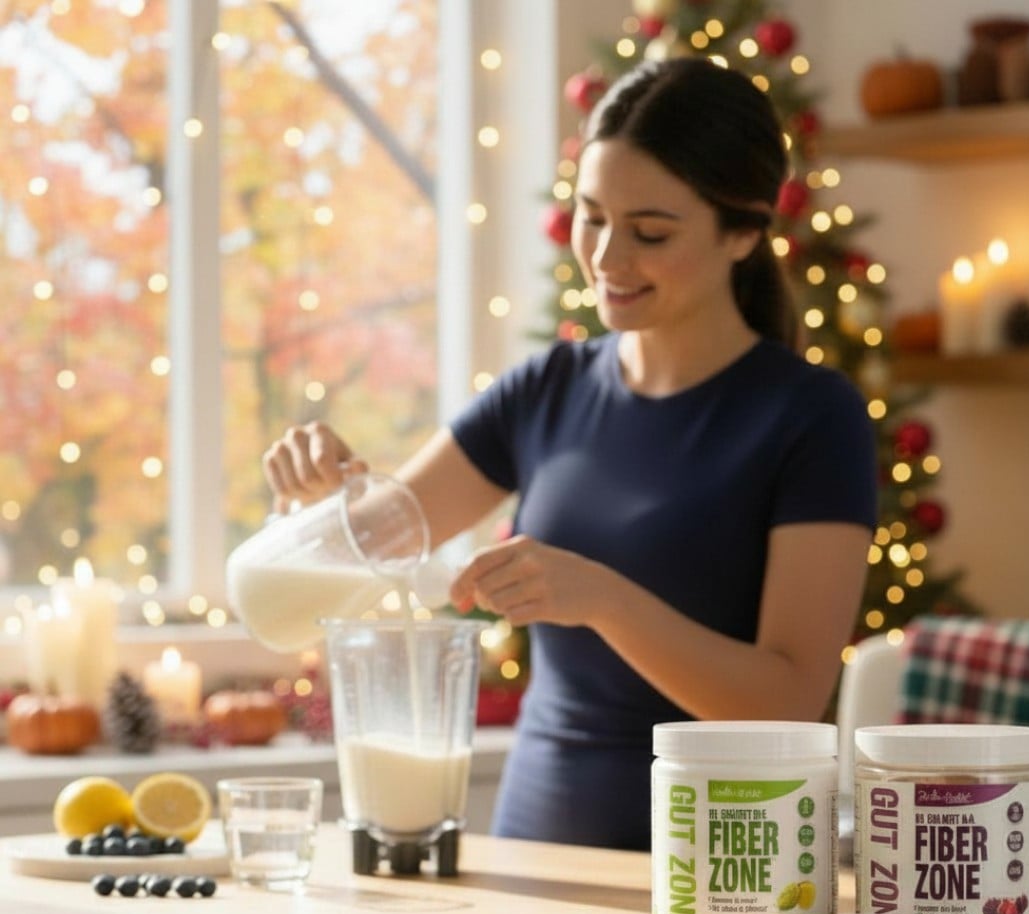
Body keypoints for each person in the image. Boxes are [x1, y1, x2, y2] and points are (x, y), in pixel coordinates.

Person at [262, 58, 878, 851]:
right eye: (592, 218)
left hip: (720, 875)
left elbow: (789, 702)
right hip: (535, 854)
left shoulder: (810, 417)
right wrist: (321, 494)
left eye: (650, 232)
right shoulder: (547, 387)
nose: (608, 259)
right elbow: (376, 537)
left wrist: (605, 599)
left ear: (746, 231)